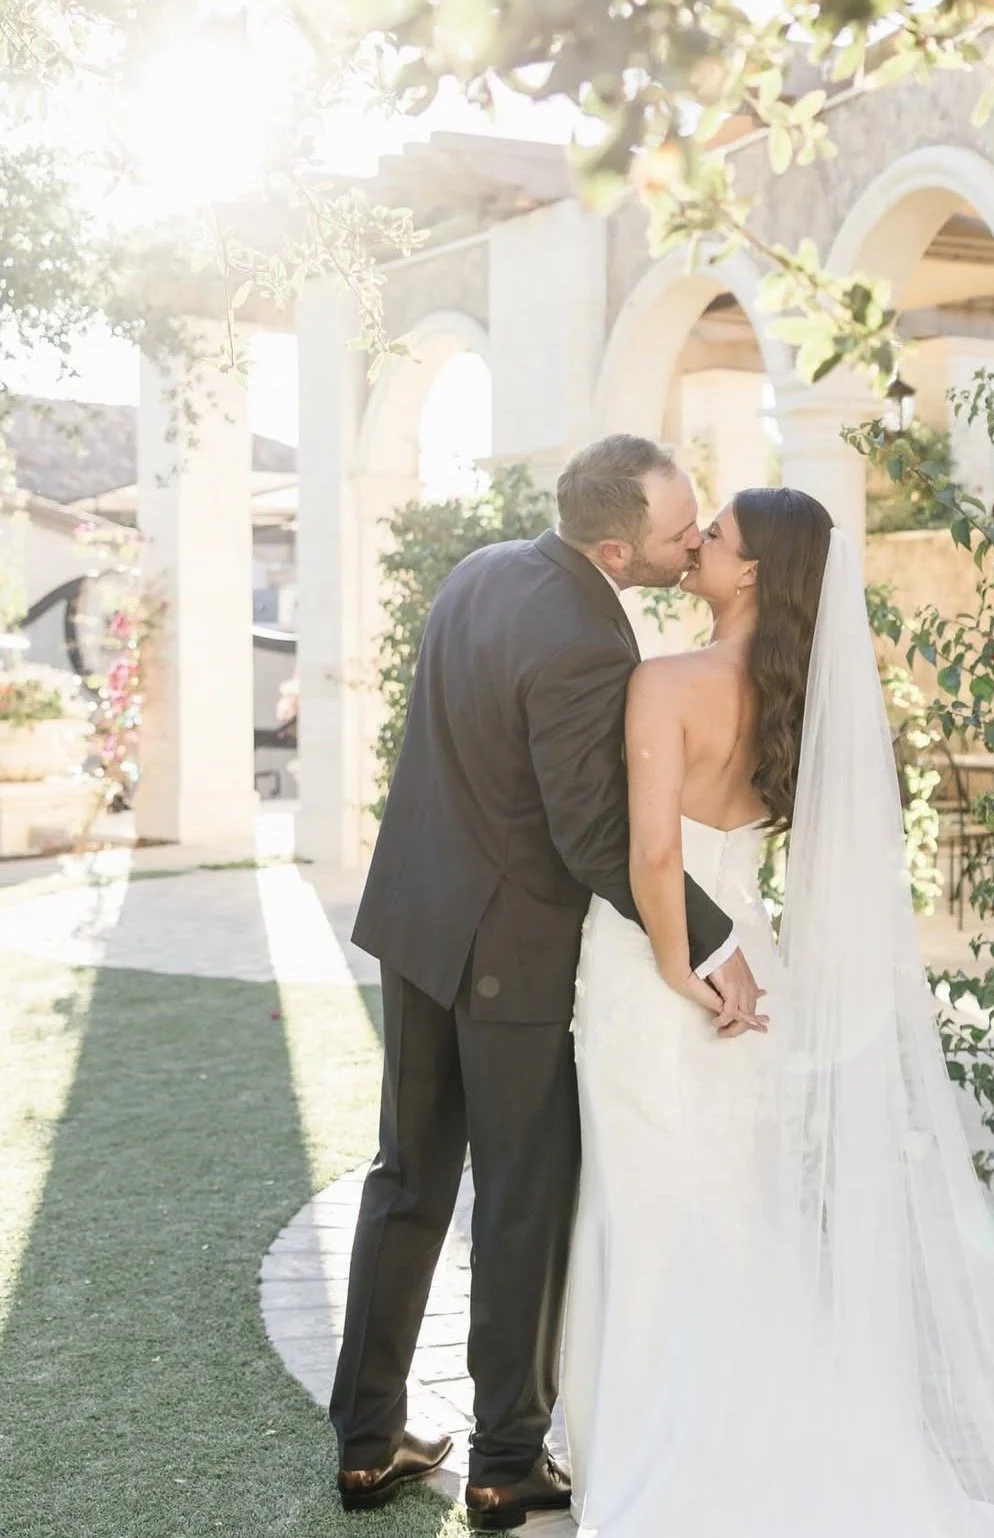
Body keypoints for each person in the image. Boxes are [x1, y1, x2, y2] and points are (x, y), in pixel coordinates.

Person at [563, 487, 994, 1538]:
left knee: (648, 1204)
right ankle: (765, 1430)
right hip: (754, 968)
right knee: (735, 1208)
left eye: (719, 535)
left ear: (754, 575)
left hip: (662, 964)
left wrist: (684, 967)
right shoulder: (792, 702)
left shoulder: (663, 682)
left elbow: (651, 856)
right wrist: (730, 958)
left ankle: (655, 1449)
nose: (699, 542)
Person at [331, 435, 765, 1525]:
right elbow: (593, 834)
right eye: (678, 532)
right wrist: (710, 938)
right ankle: (505, 1460)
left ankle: (367, 1437)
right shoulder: (585, 635)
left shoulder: (480, 570)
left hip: (414, 923)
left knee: (409, 1176)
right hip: (504, 950)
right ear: (615, 542)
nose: (689, 544)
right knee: (523, 1194)